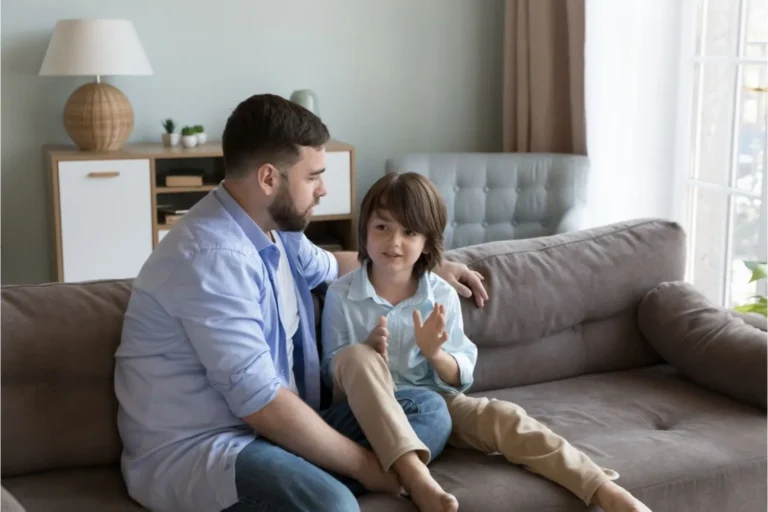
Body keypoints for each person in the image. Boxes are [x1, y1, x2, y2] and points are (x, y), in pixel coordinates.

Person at [113, 94, 488, 512]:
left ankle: (308, 476)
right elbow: (261, 403)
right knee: (335, 506)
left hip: (276, 429)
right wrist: (370, 468)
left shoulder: (277, 230)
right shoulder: (211, 259)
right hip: (206, 449)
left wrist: (432, 268)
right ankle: (329, 481)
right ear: (269, 178)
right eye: (313, 177)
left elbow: (338, 266)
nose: (324, 189)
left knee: (429, 410)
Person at [321, 172, 653, 512]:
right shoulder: (341, 295)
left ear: (427, 242)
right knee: (356, 356)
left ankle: (603, 490)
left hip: (437, 401)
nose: (394, 241)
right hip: (368, 409)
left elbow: (461, 376)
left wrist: (435, 353)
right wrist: (369, 350)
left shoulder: (441, 294)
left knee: (505, 417)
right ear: (365, 230)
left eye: (409, 232)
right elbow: (332, 375)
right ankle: (417, 480)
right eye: (382, 227)